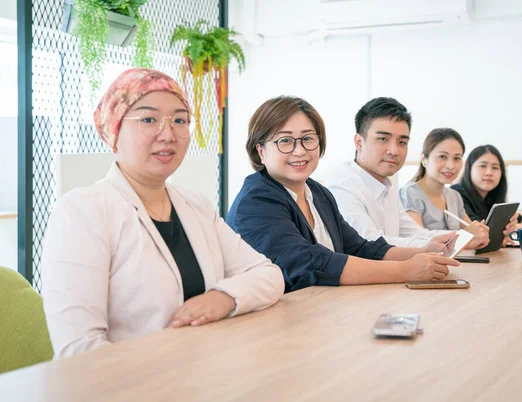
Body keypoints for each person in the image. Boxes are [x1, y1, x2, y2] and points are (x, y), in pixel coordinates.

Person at [42, 68, 284, 359]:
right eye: (148, 120)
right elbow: (79, 350)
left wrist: (223, 297)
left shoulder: (195, 206)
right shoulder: (82, 212)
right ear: (114, 130)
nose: (168, 134)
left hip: (201, 374)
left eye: (180, 120)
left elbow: (268, 274)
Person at [226, 96, 459, 293]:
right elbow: (309, 263)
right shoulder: (256, 202)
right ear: (260, 150)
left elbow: (359, 247)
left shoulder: (317, 192)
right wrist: (406, 270)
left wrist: (423, 253)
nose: (299, 151)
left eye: (308, 139)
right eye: (285, 141)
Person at [327, 97, 482, 249]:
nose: (394, 151)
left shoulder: (387, 187)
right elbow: (369, 243)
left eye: (402, 142)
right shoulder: (343, 186)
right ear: (359, 142)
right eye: (383, 139)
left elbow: (414, 234)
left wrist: (462, 237)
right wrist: (447, 242)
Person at [400, 128, 494, 249]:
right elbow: (417, 240)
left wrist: (486, 234)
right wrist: (468, 236)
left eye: (457, 158)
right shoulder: (409, 193)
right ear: (424, 159)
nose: (451, 166)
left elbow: (473, 236)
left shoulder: (454, 196)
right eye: (442, 157)